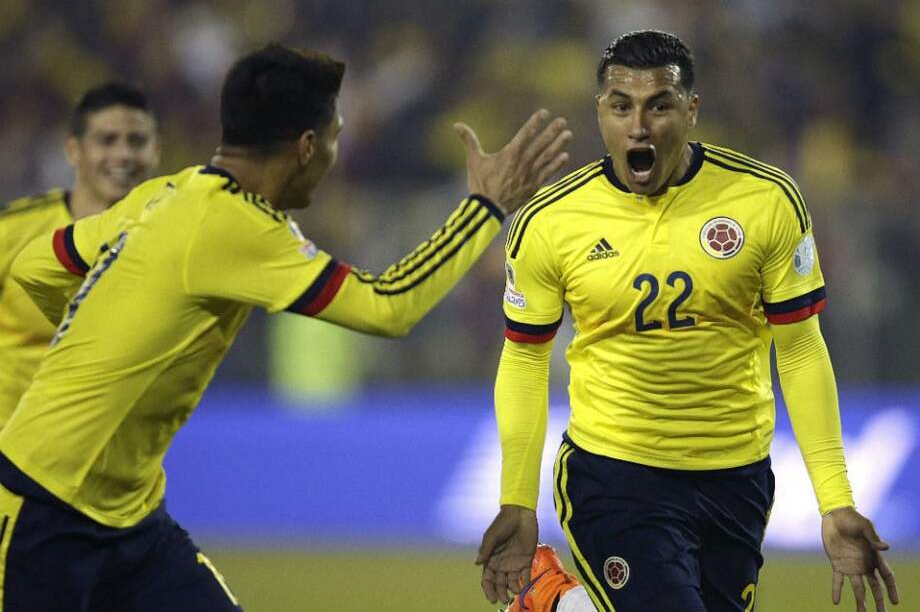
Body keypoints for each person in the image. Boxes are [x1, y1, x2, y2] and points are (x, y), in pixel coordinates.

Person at [0, 44, 571, 611]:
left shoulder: (167, 194)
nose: (335, 154)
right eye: (335, 136)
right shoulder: (238, 225)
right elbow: (387, 305)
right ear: (306, 147)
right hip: (45, 508)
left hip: (130, 517)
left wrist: (90, 339)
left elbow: (35, 266)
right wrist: (485, 206)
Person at [476, 30, 900, 612]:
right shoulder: (551, 222)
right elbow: (524, 358)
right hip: (614, 475)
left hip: (737, 480)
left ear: (691, 110)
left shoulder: (766, 201)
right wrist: (517, 501)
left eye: (659, 105)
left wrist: (835, 500)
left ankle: (551, 604)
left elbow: (800, 350)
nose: (639, 126)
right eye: (621, 106)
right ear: (600, 111)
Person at [0, 81, 160, 423]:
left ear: (156, 150)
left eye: (137, 141)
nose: (123, 155)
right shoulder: (11, 232)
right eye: (106, 140)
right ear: (74, 150)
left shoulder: (174, 243)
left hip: (104, 459)